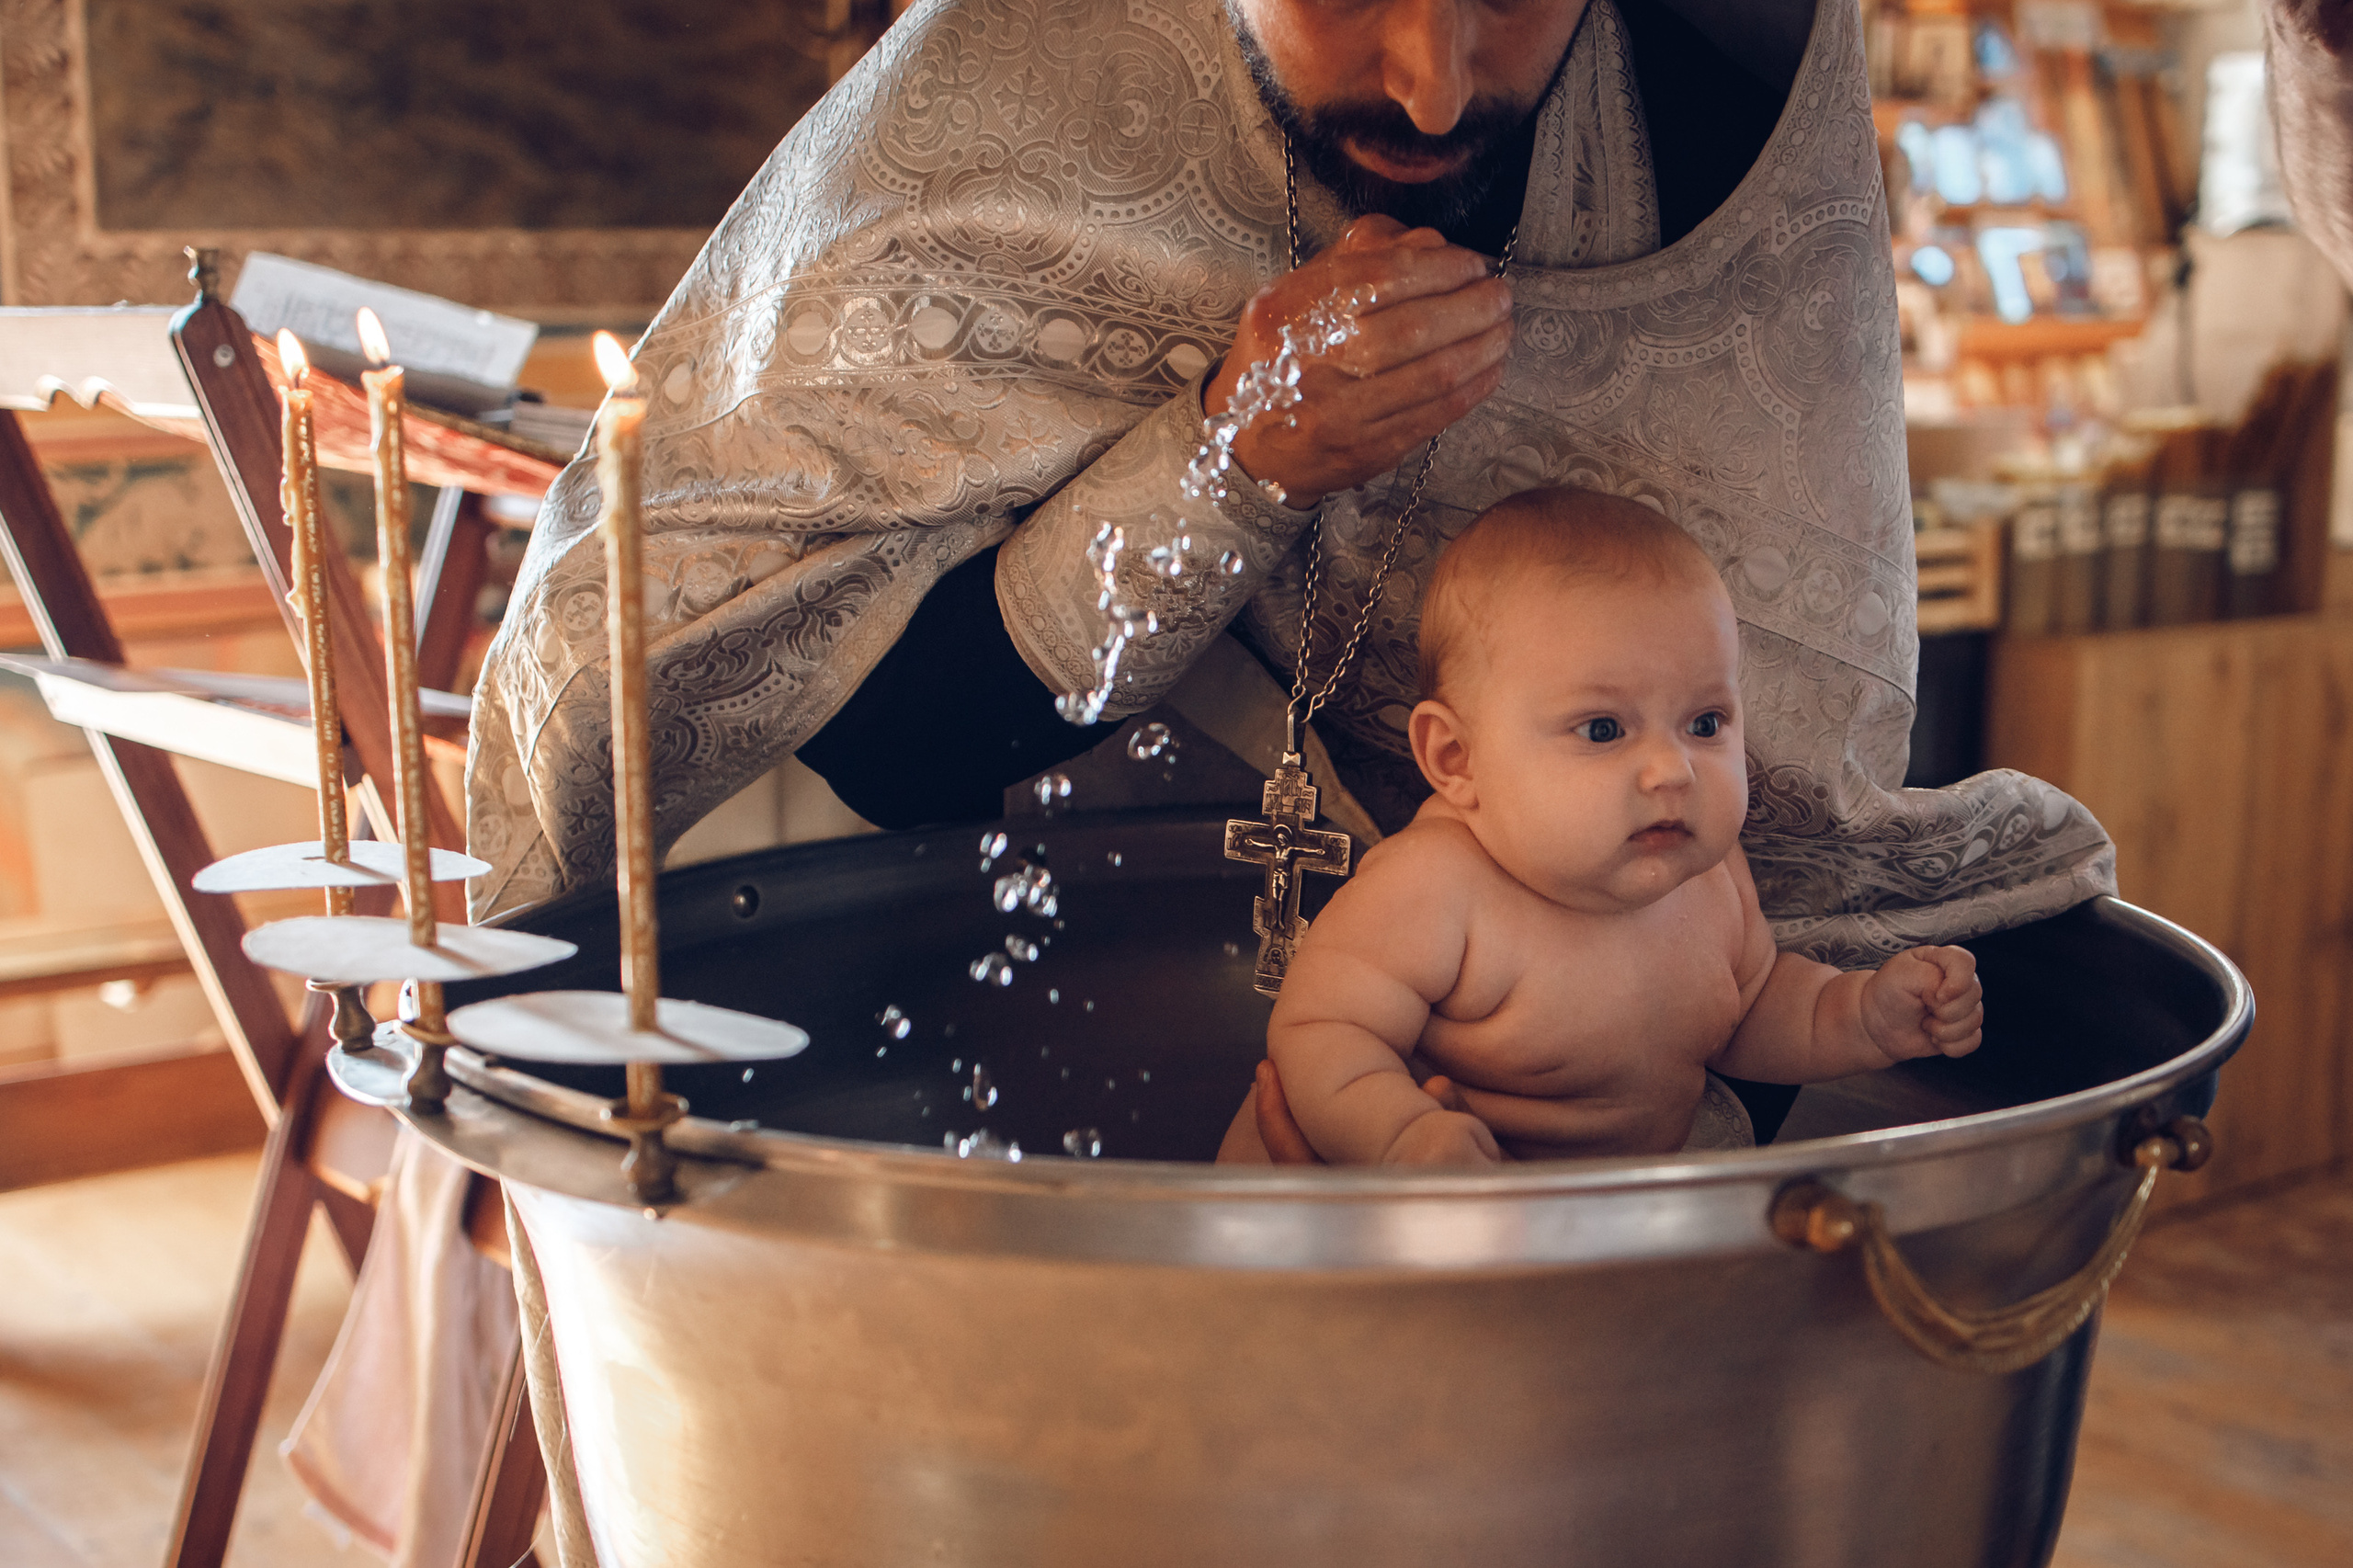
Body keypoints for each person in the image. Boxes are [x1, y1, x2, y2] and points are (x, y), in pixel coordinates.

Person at [1219, 489, 1984, 1167]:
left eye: (1705, 722)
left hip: (1601, 1209)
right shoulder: (1433, 889)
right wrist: (1399, 1136)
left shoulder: (1708, 879)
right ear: (1457, 760)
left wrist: (1862, 1014)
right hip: (1379, 1205)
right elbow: (1322, 1031)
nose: (1672, 771)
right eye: (1603, 730)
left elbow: (1750, 1011)